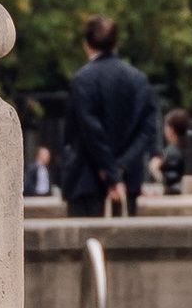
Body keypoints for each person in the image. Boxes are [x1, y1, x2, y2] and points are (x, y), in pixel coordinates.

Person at [61, 16, 160, 220]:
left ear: (86, 44)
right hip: (128, 181)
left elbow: (90, 129)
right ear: (116, 43)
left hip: (85, 180)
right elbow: (146, 130)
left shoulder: (82, 80)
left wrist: (109, 171)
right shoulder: (139, 80)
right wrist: (120, 168)